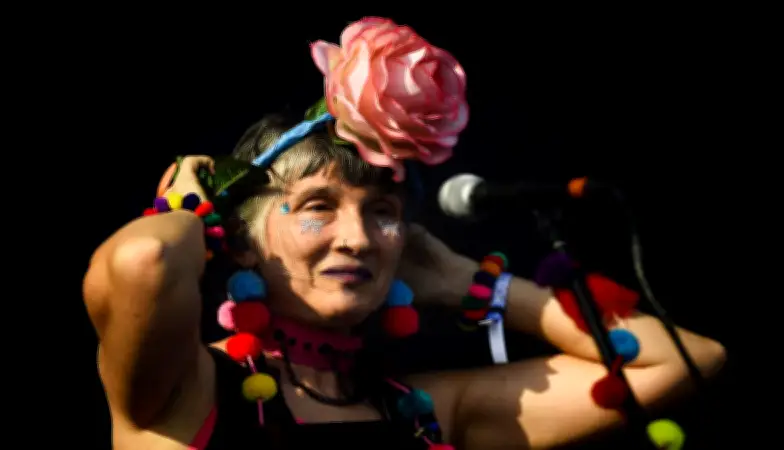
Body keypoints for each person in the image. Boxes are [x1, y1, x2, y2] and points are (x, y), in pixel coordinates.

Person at [83, 18, 726, 450]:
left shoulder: (422, 409)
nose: (359, 239)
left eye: (383, 212)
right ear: (239, 238)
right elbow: (143, 260)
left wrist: (468, 283)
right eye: (318, 206)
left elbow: (686, 358)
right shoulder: (183, 387)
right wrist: (189, 211)